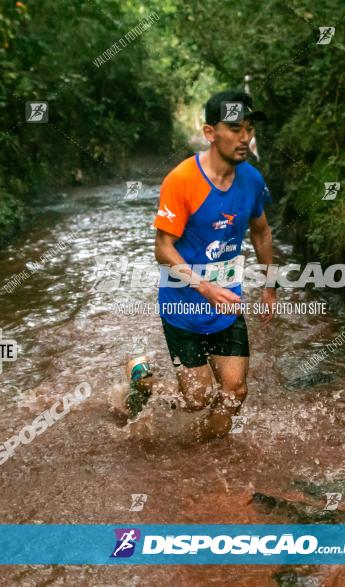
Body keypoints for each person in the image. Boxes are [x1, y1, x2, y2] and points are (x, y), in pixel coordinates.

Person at [121, 90, 276, 439]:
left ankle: (203, 458)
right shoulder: (181, 180)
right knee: (196, 399)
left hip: (226, 302)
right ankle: (143, 380)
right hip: (183, 305)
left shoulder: (252, 180)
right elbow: (163, 248)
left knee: (235, 392)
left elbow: (262, 231)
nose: (245, 137)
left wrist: (269, 285)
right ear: (210, 133)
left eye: (249, 128)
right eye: (235, 128)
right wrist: (204, 287)